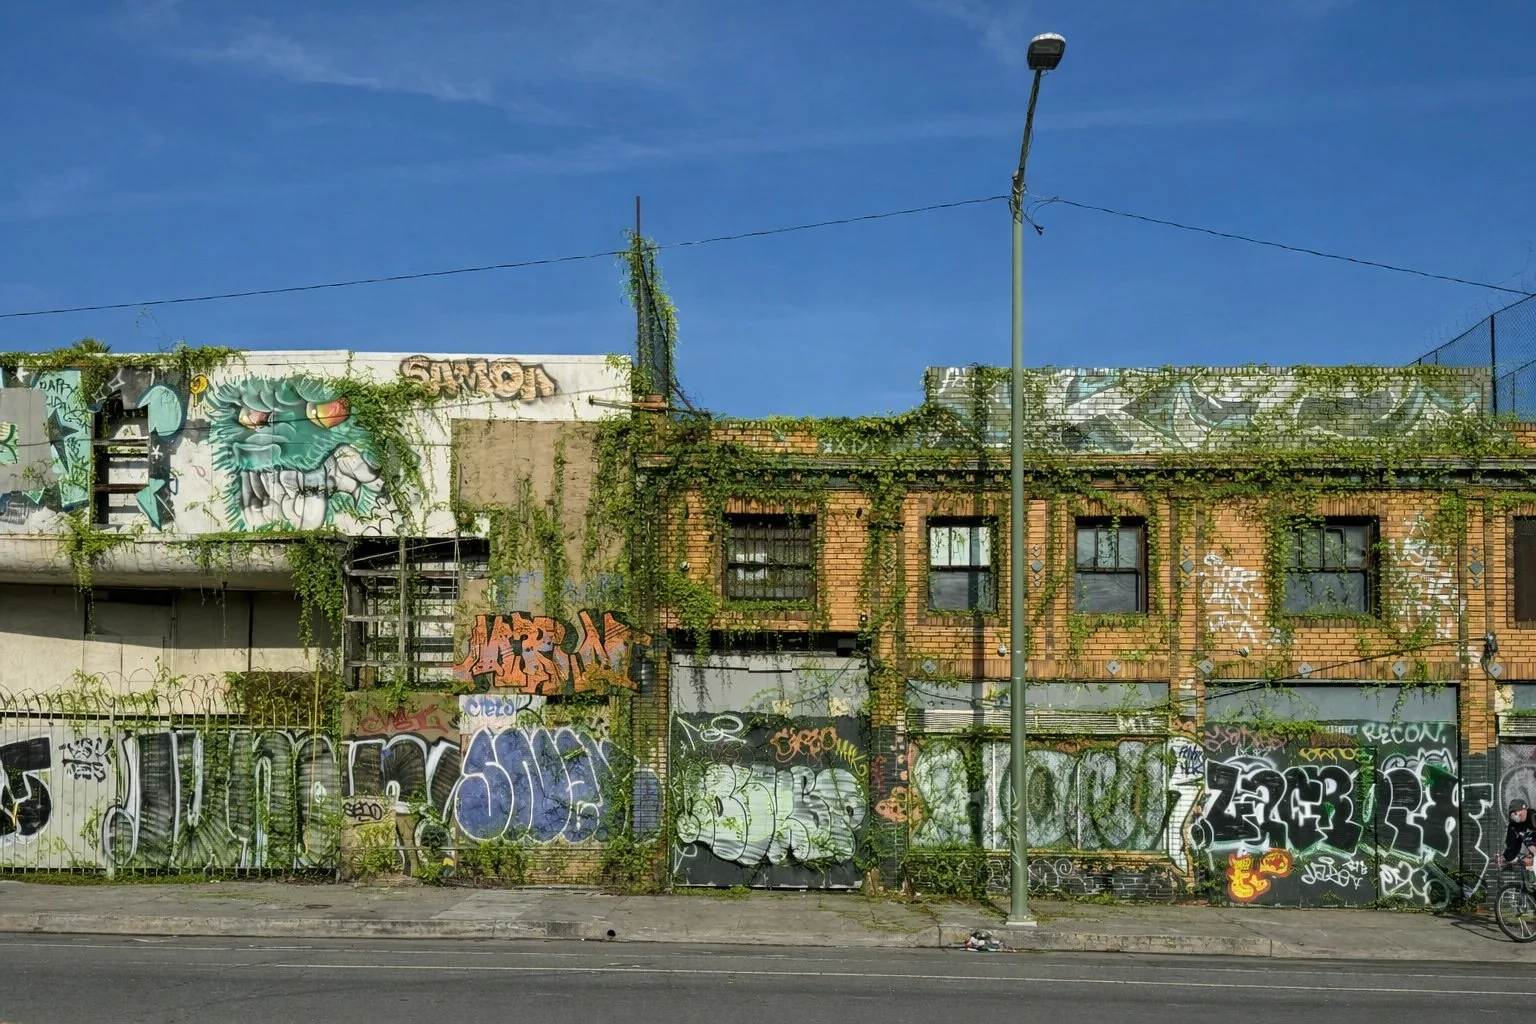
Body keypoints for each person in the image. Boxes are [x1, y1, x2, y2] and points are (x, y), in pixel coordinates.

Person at [1502, 799, 1536, 870]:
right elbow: (1513, 847)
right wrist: (1505, 857)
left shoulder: (1533, 817)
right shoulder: (1516, 826)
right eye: (1513, 814)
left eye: (1516, 813)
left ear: (1524, 809)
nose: (1516, 816)